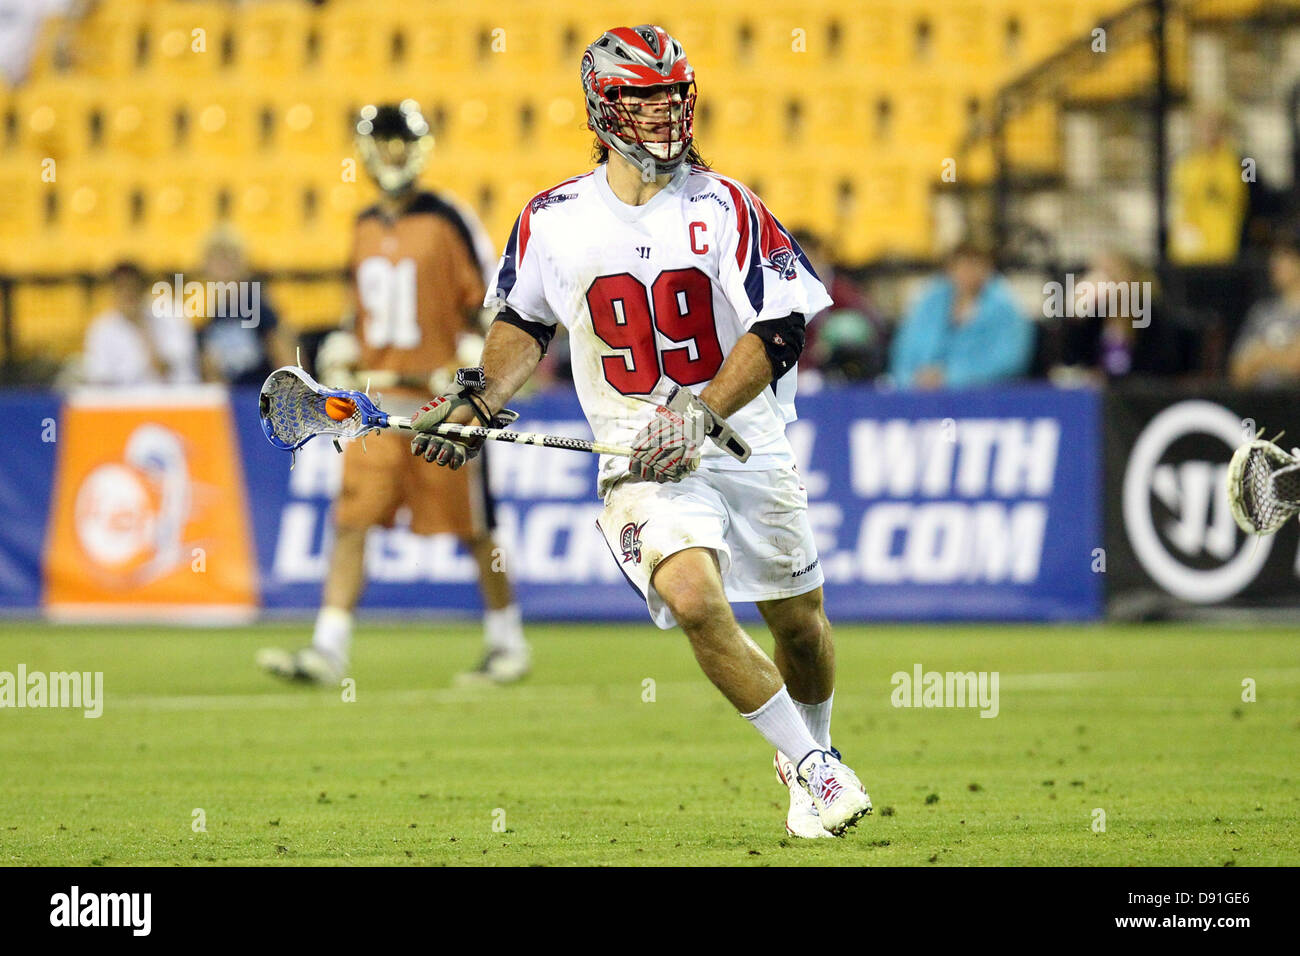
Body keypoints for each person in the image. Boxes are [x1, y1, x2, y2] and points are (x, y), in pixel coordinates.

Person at [409, 25, 872, 838]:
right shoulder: (553, 218)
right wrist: (480, 399)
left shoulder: (725, 204)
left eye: (671, 94)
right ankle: (813, 769)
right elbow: (525, 321)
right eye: (642, 97)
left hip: (741, 440)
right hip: (640, 457)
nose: (662, 114)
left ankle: (812, 750)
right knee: (694, 596)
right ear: (601, 106)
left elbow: (784, 327)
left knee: (800, 622)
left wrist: (701, 410)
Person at [258, 101, 530, 686]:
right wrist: (344, 345)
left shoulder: (448, 219)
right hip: (375, 412)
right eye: (383, 143)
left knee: (473, 527)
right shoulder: (361, 226)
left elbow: (494, 306)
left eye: (399, 142)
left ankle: (508, 641)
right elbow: (360, 310)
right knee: (353, 522)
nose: (392, 155)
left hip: (439, 408)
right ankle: (328, 647)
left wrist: (471, 369)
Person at [888, 240, 1034, 389]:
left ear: (988, 268)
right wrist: (913, 378)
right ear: (950, 269)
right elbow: (903, 353)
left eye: (974, 265)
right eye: (961, 266)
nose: (967, 273)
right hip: (922, 394)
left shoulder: (1007, 308)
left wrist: (950, 377)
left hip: (984, 396)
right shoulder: (929, 303)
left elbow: (1009, 360)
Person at [196, 227, 296, 386]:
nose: (223, 267)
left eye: (229, 259)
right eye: (216, 260)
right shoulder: (211, 315)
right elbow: (210, 369)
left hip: (260, 394)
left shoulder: (257, 305)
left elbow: (283, 354)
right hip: (232, 399)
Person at [82, 260, 198, 387]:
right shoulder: (101, 328)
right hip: (123, 403)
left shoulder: (171, 313)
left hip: (172, 399)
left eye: (133, 286)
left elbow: (168, 369)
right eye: (121, 287)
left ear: (143, 288)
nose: (128, 293)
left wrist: (142, 326)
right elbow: (100, 381)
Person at [1229, 222, 1300, 387]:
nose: (1274, 263)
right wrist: (1284, 354)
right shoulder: (1262, 312)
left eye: (1284, 256)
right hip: (1262, 406)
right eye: (1273, 256)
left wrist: (1262, 354)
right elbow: (1238, 370)